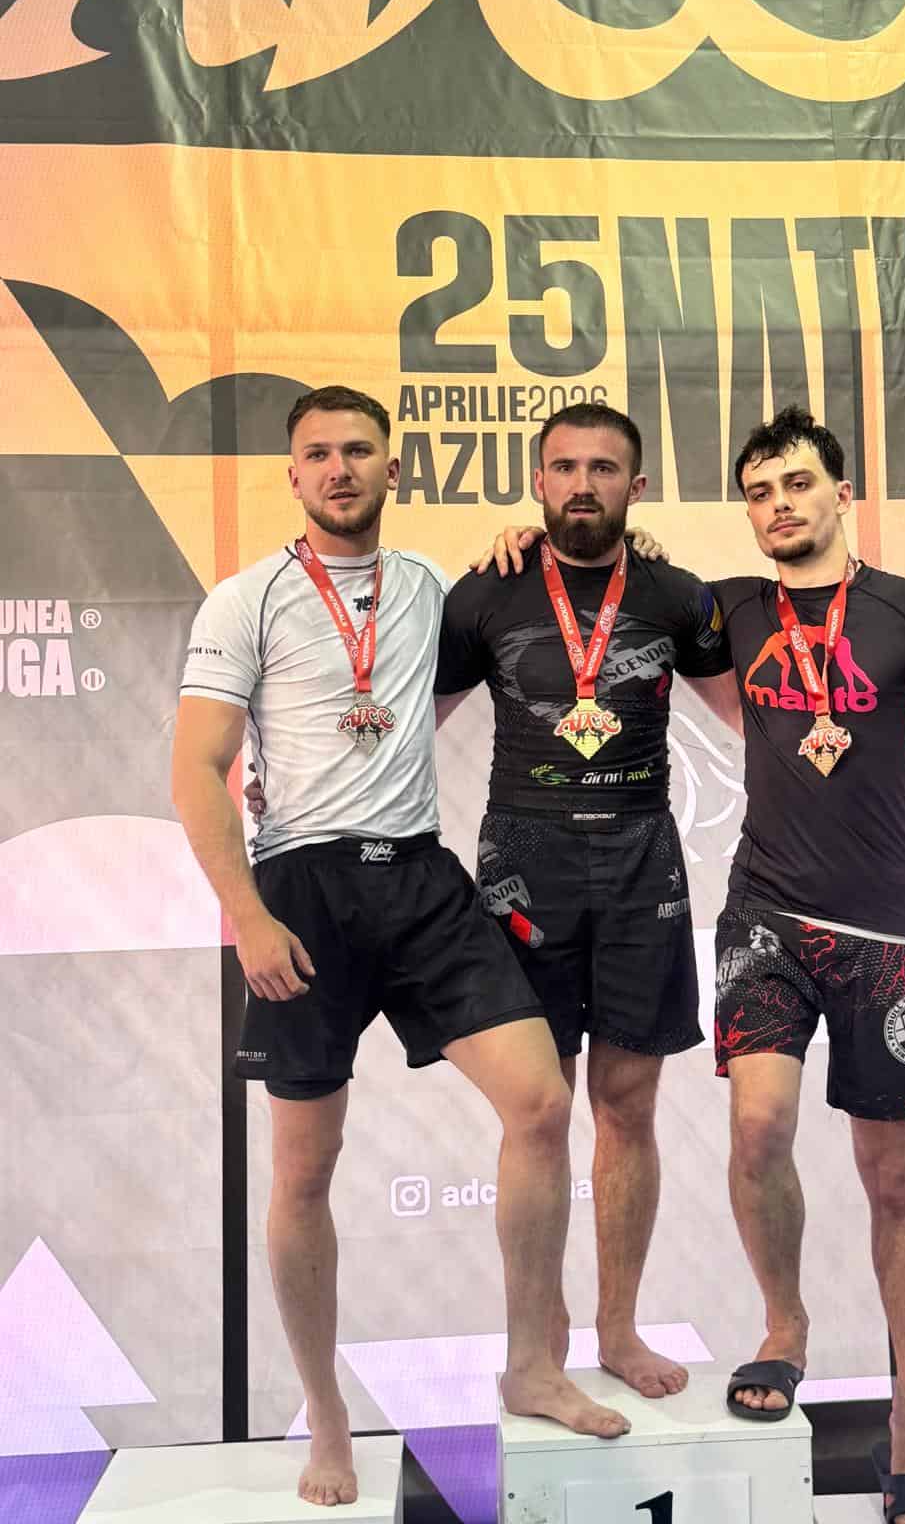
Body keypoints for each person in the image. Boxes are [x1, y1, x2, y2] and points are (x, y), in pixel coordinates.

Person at [488, 404, 905, 1524]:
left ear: (841, 493)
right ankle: (786, 1326)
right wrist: (527, 538)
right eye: (760, 491)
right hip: (763, 916)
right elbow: (603, 570)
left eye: (798, 484)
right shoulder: (721, 607)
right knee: (758, 1127)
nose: (779, 505)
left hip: (884, 938)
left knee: (894, 1179)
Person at [171, 385, 629, 1510]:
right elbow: (195, 768)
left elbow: (564, 578)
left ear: (393, 466)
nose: (339, 468)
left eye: (359, 450)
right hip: (300, 891)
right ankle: (326, 1416)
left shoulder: (434, 588)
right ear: (293, 474)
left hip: (421, 878)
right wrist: (247, 916)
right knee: (304, 1168)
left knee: (541, 1101)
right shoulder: (246, 599)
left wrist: (575, 540)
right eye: (318, 453)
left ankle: (532, 1366)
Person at [435, 401, 737, 1398]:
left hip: (642, 861)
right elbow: (406, 729)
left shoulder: (677, 596)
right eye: (563, 466)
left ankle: (617, 1326)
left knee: (627, 1104)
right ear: (538, 481)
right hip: (524, 862)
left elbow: (757, 721)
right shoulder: (487, 591)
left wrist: (876, 764)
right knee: (537, 1110)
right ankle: (536, 1336)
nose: (581, 484)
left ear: (635, 487)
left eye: (603, 468)